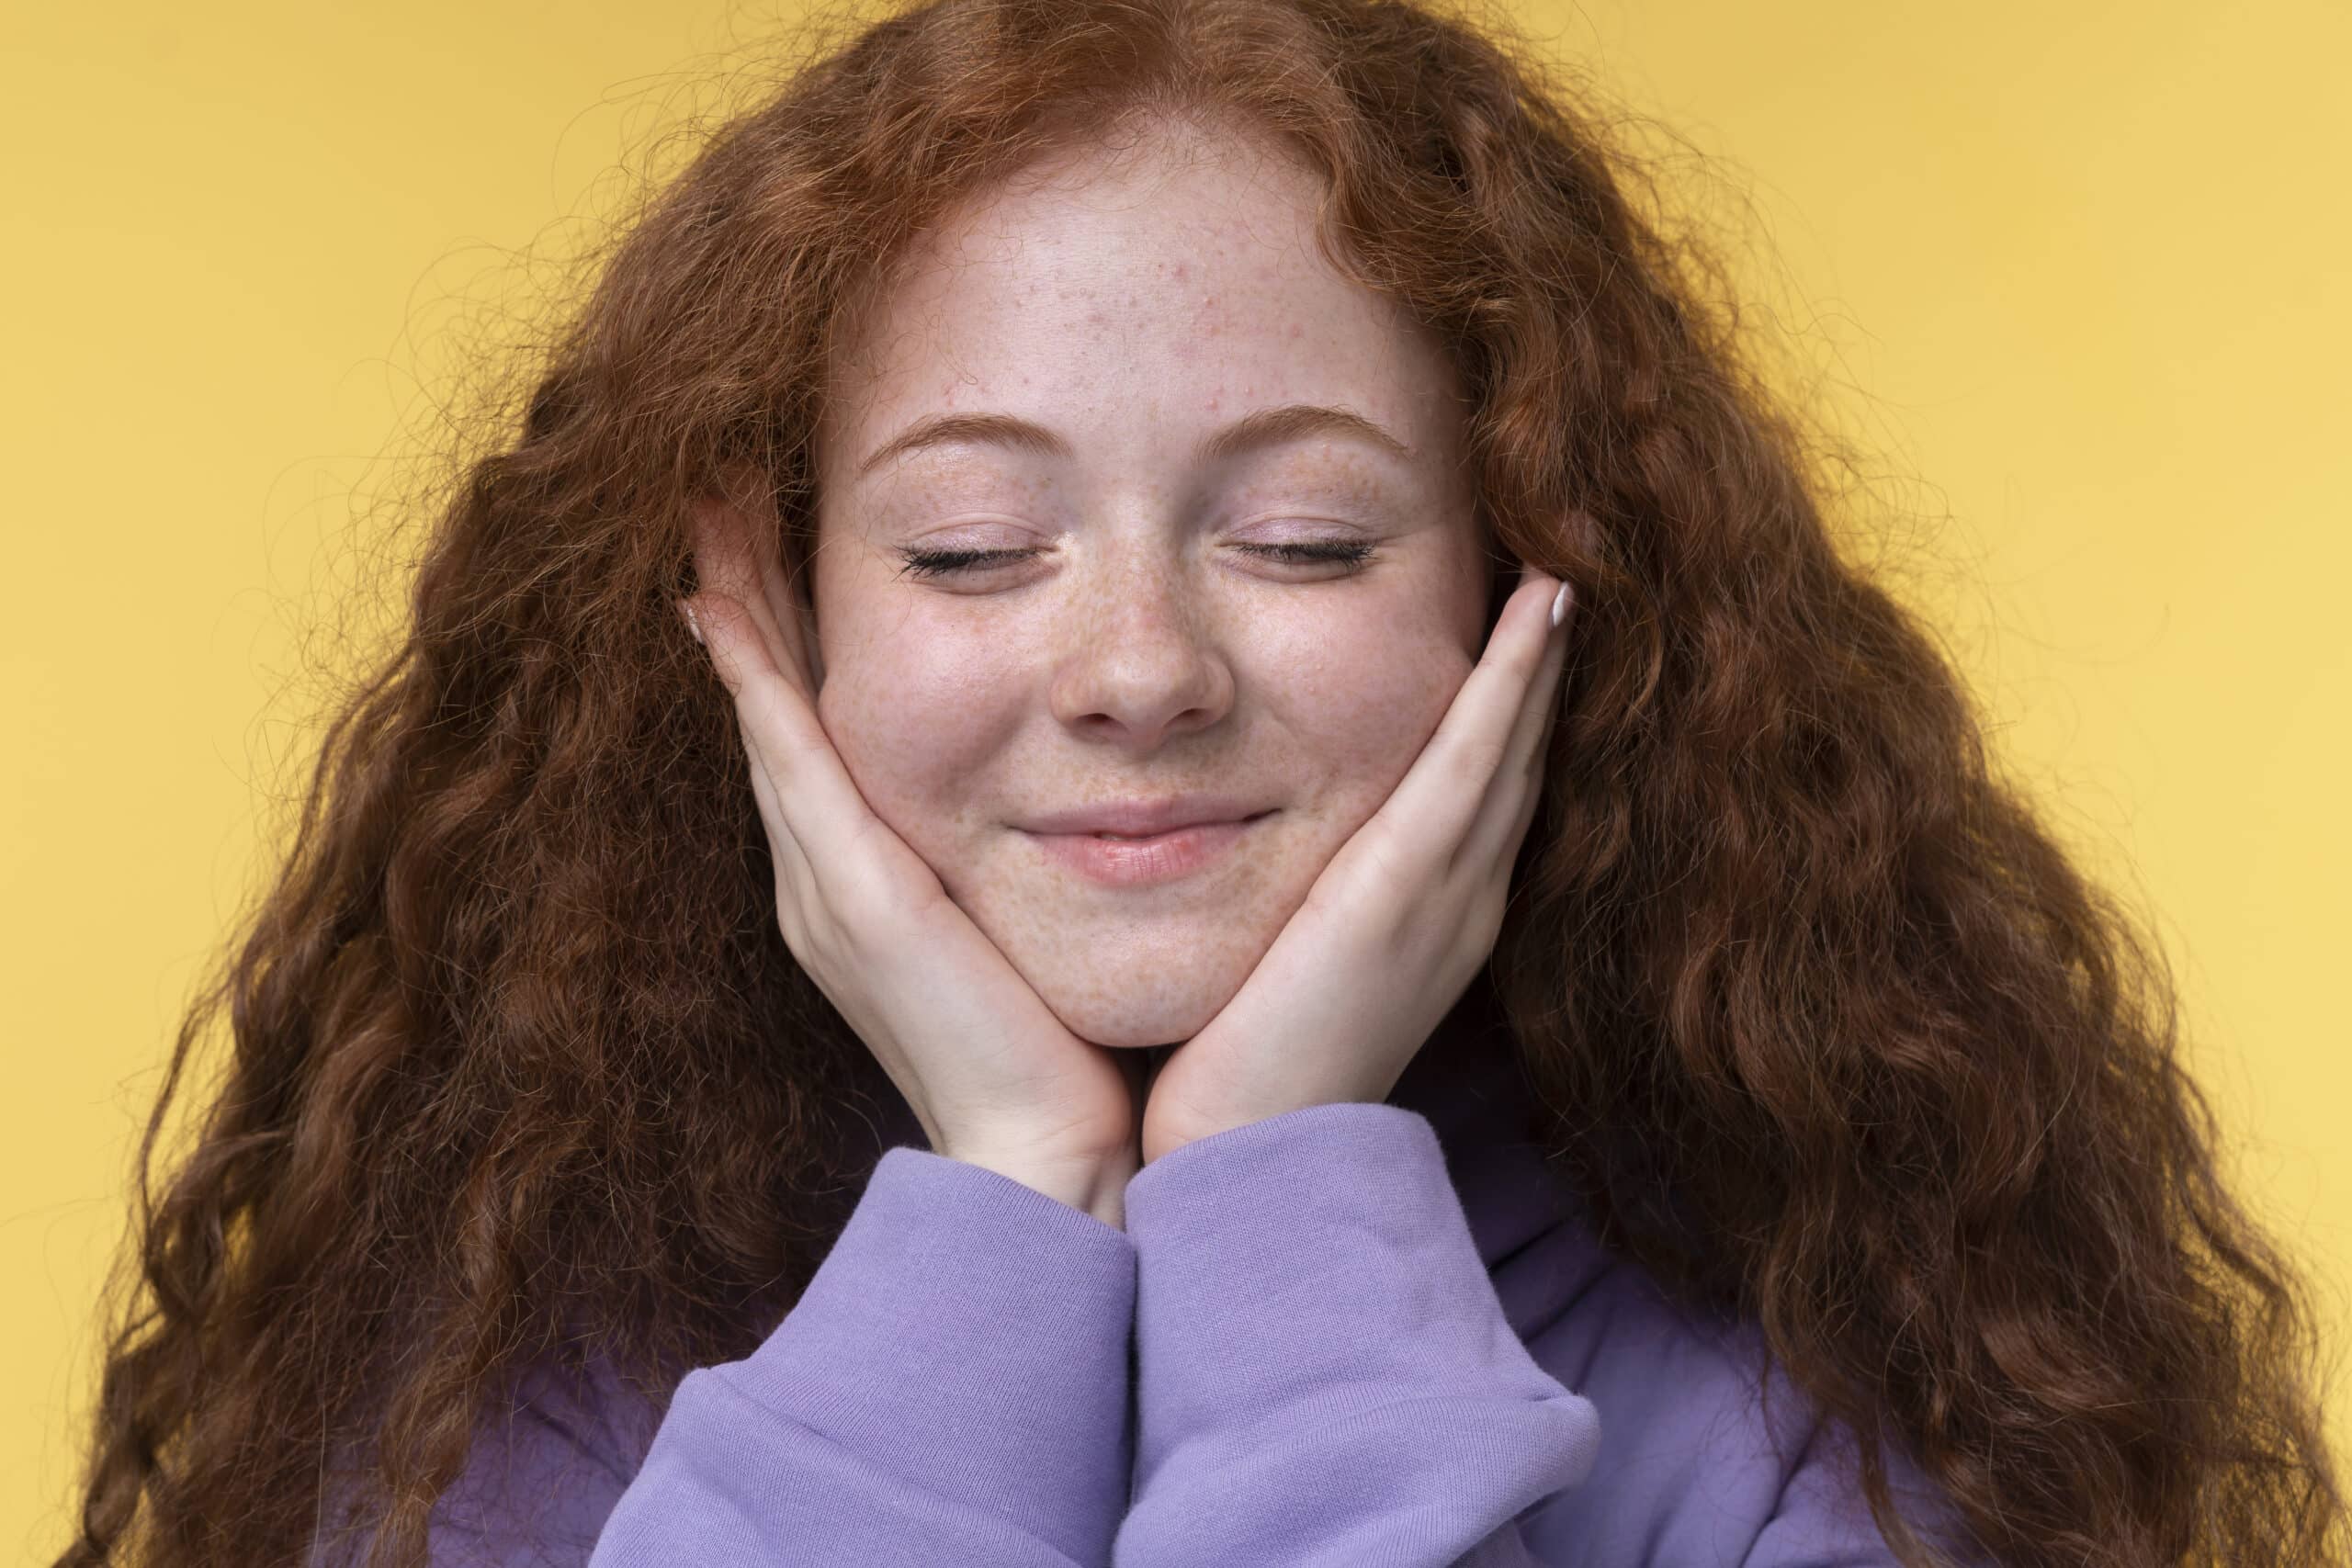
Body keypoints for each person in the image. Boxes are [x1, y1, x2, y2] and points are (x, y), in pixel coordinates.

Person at [56, 0, 2347, 1564]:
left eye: (1302, 537)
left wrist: (1273, 1194)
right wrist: (1003, 1204)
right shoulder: (498, 1381)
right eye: (972, 545)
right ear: (772, 610)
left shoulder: (1848, 1394)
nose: (1137, 667)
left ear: (1529, 570)